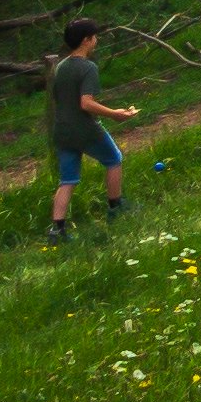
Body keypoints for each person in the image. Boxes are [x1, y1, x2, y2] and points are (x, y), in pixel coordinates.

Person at [45, 17, 136, 241]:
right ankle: (115, 206)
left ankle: (57, 229)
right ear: (86, 40)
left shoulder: (61, 67)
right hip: (84, 128)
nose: (96, 41)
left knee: (67, 180)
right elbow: (85, 103)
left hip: (62, 130)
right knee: (114, 159)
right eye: (94, 37)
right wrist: (115, 113)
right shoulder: (88, 68)